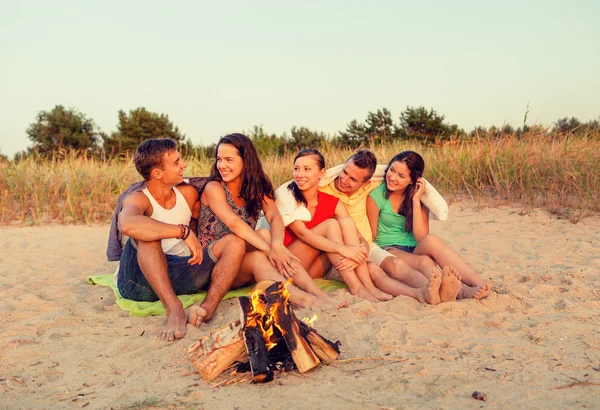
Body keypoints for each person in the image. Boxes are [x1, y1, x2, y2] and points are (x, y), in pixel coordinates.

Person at [117, 138, 246, 342]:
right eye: (177, 162)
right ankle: (174, 308)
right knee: (147, 236)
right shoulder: (138, 199)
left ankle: (207, 308)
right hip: (138, 282)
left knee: (235, 242)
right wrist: (182, 232)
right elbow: (127, 225)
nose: (184, 165)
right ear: (157, 173)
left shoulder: (188, 193)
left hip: (180, 275)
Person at [286, 149, 456, 304]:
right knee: (337, 227)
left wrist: (361, 250)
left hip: (359, 247)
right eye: (344, 172)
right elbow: (303, 186)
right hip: (332, 252)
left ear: (366, 183)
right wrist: (346, 251)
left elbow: (396, 174)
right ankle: (360, 288)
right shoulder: (322, 189)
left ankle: (421, 292)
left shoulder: (371, 188)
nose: (344, 180)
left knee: (379, 268)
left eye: (353, 179)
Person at [198, 134, 338, 309]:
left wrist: (278, 246)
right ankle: (303, 300)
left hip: (241, 258)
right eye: (219, 159)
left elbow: (274, 216)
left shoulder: (255, 187)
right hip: (216, 266)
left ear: (246, 161)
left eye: (229, 160)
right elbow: (234, 223)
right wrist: (271, 250)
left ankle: (317, 294)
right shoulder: (214, 188)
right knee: (258, 256)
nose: (222, 166)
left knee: (264, 233)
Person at [366, 151, 491, 299]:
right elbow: (372, 235)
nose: (392, 178)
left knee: (431, 240)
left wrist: (415, 201)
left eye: (401, 176)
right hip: (389, 248)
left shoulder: (420, 197)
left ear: (412, 180)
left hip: (414, 248)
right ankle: (461, 291)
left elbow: (421, 236)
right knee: (425, 261)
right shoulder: (376, 196)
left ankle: (475, 280)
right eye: (392, 170)